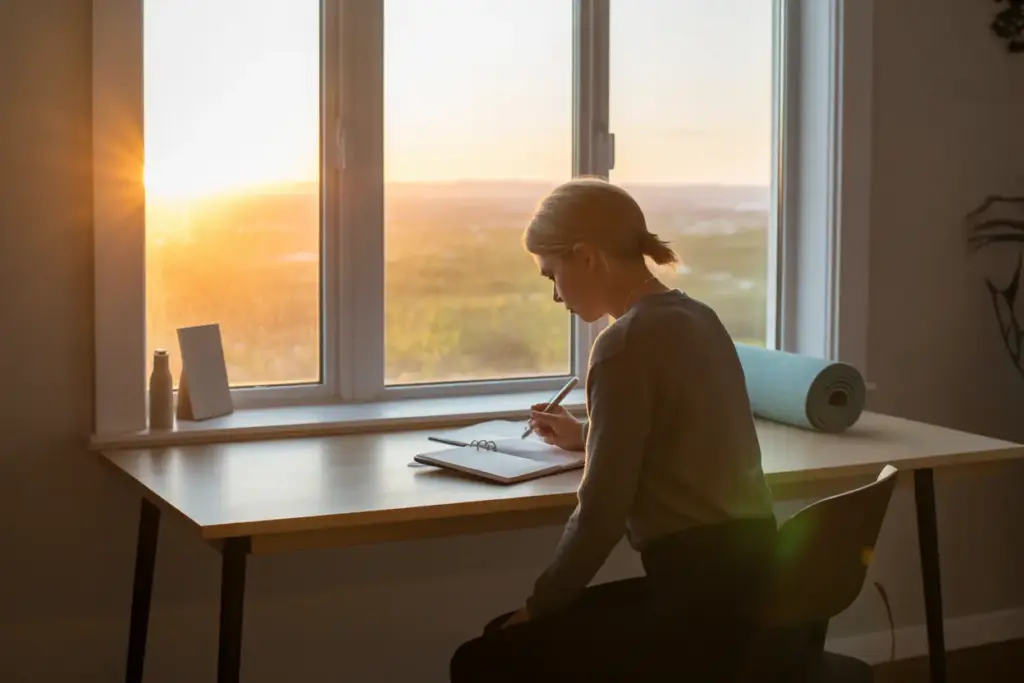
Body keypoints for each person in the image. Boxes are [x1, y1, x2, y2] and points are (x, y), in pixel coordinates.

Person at [449, 178, 778, 682]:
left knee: (486, 656)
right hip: (752, 586)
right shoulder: (699, 317)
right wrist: (588, 436)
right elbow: (682, 438)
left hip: (696, 607)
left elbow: (601, 514)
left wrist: (538, 608)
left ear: (587, 257)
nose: (556, 295)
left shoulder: (623, 343)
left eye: (552, 275)